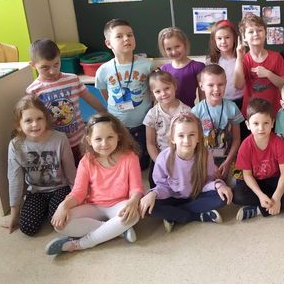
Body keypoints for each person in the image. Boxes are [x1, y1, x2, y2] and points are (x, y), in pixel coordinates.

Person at [45, 113, 144, 255]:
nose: (104, 143)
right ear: (89, 140)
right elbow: (78, 192)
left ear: (118, 136)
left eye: (110, 137)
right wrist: (63, 206)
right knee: (60, 225)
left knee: (134, 215)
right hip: (94, 206)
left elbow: (136, 187)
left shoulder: (130, 157)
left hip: (119, 205)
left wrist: (133, 202)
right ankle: (116, 230)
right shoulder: (86, 161)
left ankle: (80, 244)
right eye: (98, 139)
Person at [139, 112, 233, 231]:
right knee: (147, 208)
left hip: (196, 195)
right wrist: (153, 194)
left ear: (198, 137)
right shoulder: (163, 158)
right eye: (181, 135)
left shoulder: (205, 155)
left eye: (192, 135)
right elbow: (162, 186)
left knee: (222, 198)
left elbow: (207, 182)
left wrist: (218, 185)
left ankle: (174, 215)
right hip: (172, 197)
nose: (186, 140)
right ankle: (197, 215)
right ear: (173, 138)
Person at [3, 96, 76, 236]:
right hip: (36, 192)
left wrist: (76, 199)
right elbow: (15, 180)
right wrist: (14, 214)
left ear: (46, 119)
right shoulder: (15, 145)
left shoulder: (60, 139)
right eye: (28, 120)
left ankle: (50, 210)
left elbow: (71, 172)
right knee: (28, 228)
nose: (35, 124)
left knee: (62, 223)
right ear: (19, 124)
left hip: (60, 189)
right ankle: (44, 209)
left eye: (39, 118)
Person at [26, 39, 105, 163]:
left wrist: (104, 112)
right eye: (45, 67)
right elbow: (33, 119)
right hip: (54, 144)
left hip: (80, 139)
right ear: (33, 65)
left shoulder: (72, 79)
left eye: (56, 64)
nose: (52, 71)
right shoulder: (33, 91)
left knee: (86, 167)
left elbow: (89, 97)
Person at [233, 98, 284, 220]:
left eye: (266, 123)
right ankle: (282, 205)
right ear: (247, 125)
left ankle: (260, 209)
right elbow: (247, 176)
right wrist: (260, 195)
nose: (261, 128)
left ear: (272, 123)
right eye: (256, 124)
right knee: (236, 194)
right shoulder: (245, 146)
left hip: (276, 181)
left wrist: (277, 196)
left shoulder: (278, 143)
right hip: (257, 182)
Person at [95, 19, 153, 170]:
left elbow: (154, 91)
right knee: (121, 162)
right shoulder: (103, 70)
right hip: (118, 125)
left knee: (141, 164)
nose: (126, 39)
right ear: (108, 43)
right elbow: (105, 93)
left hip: (143, 123)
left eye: (130, 35)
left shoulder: (148, 65)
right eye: (119, 36)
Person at [191, 64, 244, 180]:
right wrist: (209, 164)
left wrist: (228, 162)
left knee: (238, 185)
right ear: (201, 86)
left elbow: (236, 139)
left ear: (226, 83)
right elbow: (195, 143)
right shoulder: (195, 112)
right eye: (211, 85)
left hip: (229, 158)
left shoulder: (232, 108)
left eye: (220, 84)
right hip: (204, 159)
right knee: (203, 183)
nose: (216, 89)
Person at [234, 13, 284, 118]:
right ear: (244, 37)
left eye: (259, 30)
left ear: (265, 34)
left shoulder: (276, 57)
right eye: (251, 31)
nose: (256, 34)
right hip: (252, 114)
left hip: (274, 112)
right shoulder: (243, 59)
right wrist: (239, 58)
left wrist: (268, 74)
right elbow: (238, 85)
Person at [143, 70, 190, 186]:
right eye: (158, 91)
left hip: (183, 157)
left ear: (175, 86)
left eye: (167, 88)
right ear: (153, 93)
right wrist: (159, 162)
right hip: (160, 158)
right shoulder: (152, 114)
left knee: (183, 184)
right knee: (155, 183)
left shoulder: (187, 112)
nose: (163, 93)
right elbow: (150, 143)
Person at [158, 27, 205, 107]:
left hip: (189, 112)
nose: (174, 52)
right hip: (169, 112)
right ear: (164, 50)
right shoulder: (164, 69)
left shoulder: (198, 67)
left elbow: (203, 96)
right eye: (169, 49)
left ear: (185, 44)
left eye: (177, 46)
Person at [206, 20, 243, 108]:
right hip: (219, 101)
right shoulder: (211, 61)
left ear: (234, 38)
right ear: (214, 40)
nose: (223, 41)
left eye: (227, 37)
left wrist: (240, 58)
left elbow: (240, 85)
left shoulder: (241, 59)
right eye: (219, 38)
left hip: (240, 100)